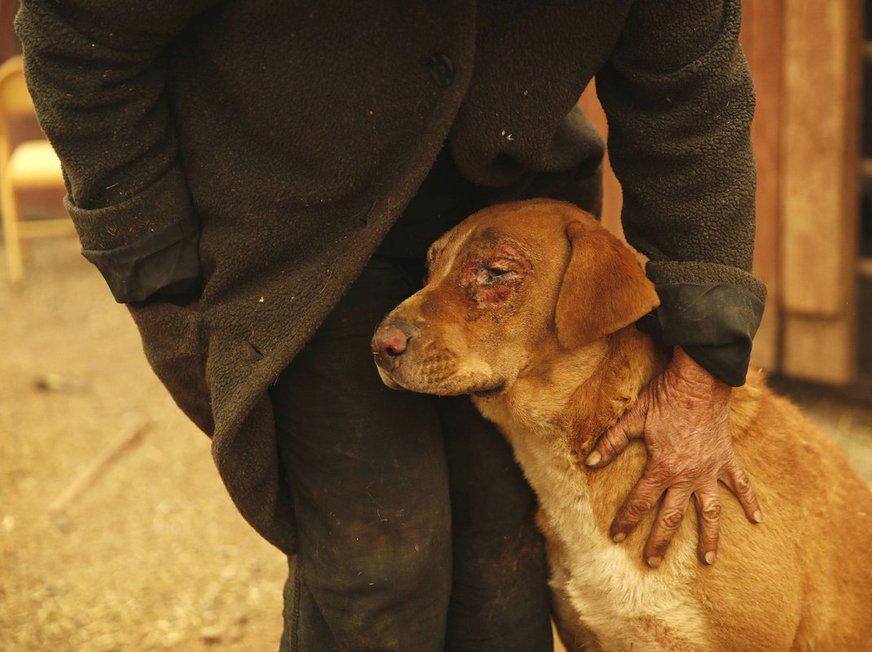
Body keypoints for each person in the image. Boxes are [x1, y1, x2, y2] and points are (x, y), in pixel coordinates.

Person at [17, 0, 765, 649]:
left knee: (504, 571)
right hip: (301, 239)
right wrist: (155, 266)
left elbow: (691, 99)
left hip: (510, 230)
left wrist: (705, 355)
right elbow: (76, 34)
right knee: (379, 571)